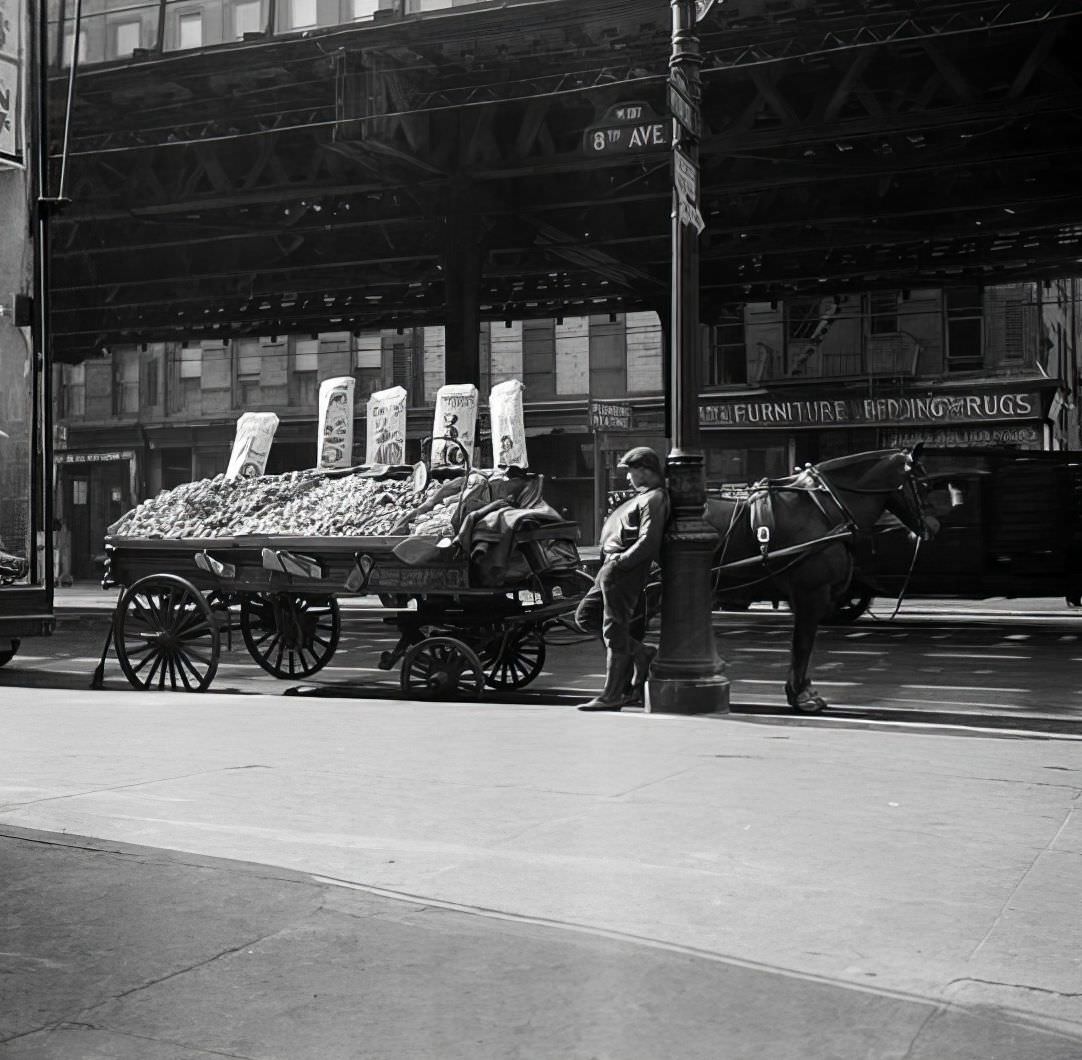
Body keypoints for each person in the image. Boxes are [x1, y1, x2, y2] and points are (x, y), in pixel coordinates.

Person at [575, 446, 669, 711]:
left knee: (614, 630)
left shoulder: (654, 498)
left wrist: (620, 561)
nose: (628, 478)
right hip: (611, 568)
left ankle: (612, 694)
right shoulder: (645, 498)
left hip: (621, 570)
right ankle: (642, 653)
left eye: (631, 472)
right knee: (586, 617)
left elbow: (648, 542)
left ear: (644, 471)